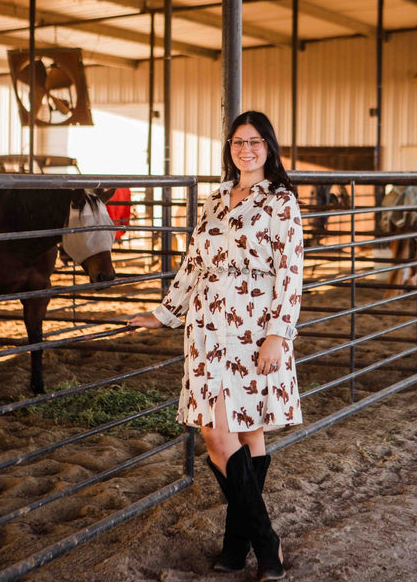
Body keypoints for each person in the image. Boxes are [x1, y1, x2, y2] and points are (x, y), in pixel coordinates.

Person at [129, 111, 303, 582]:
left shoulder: (282, 202)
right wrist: (163, 314)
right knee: (235, 435)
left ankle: (260, 545)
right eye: (238, 141)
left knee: (228, 434)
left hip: (252, 327)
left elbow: (290, 273)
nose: (246, 149)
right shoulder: (216, 199)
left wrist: (277, 334)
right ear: (230, 147)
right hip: (206, 327)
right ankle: (247, 543)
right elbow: (192, 264)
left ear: (269, 146)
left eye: (255, 141)